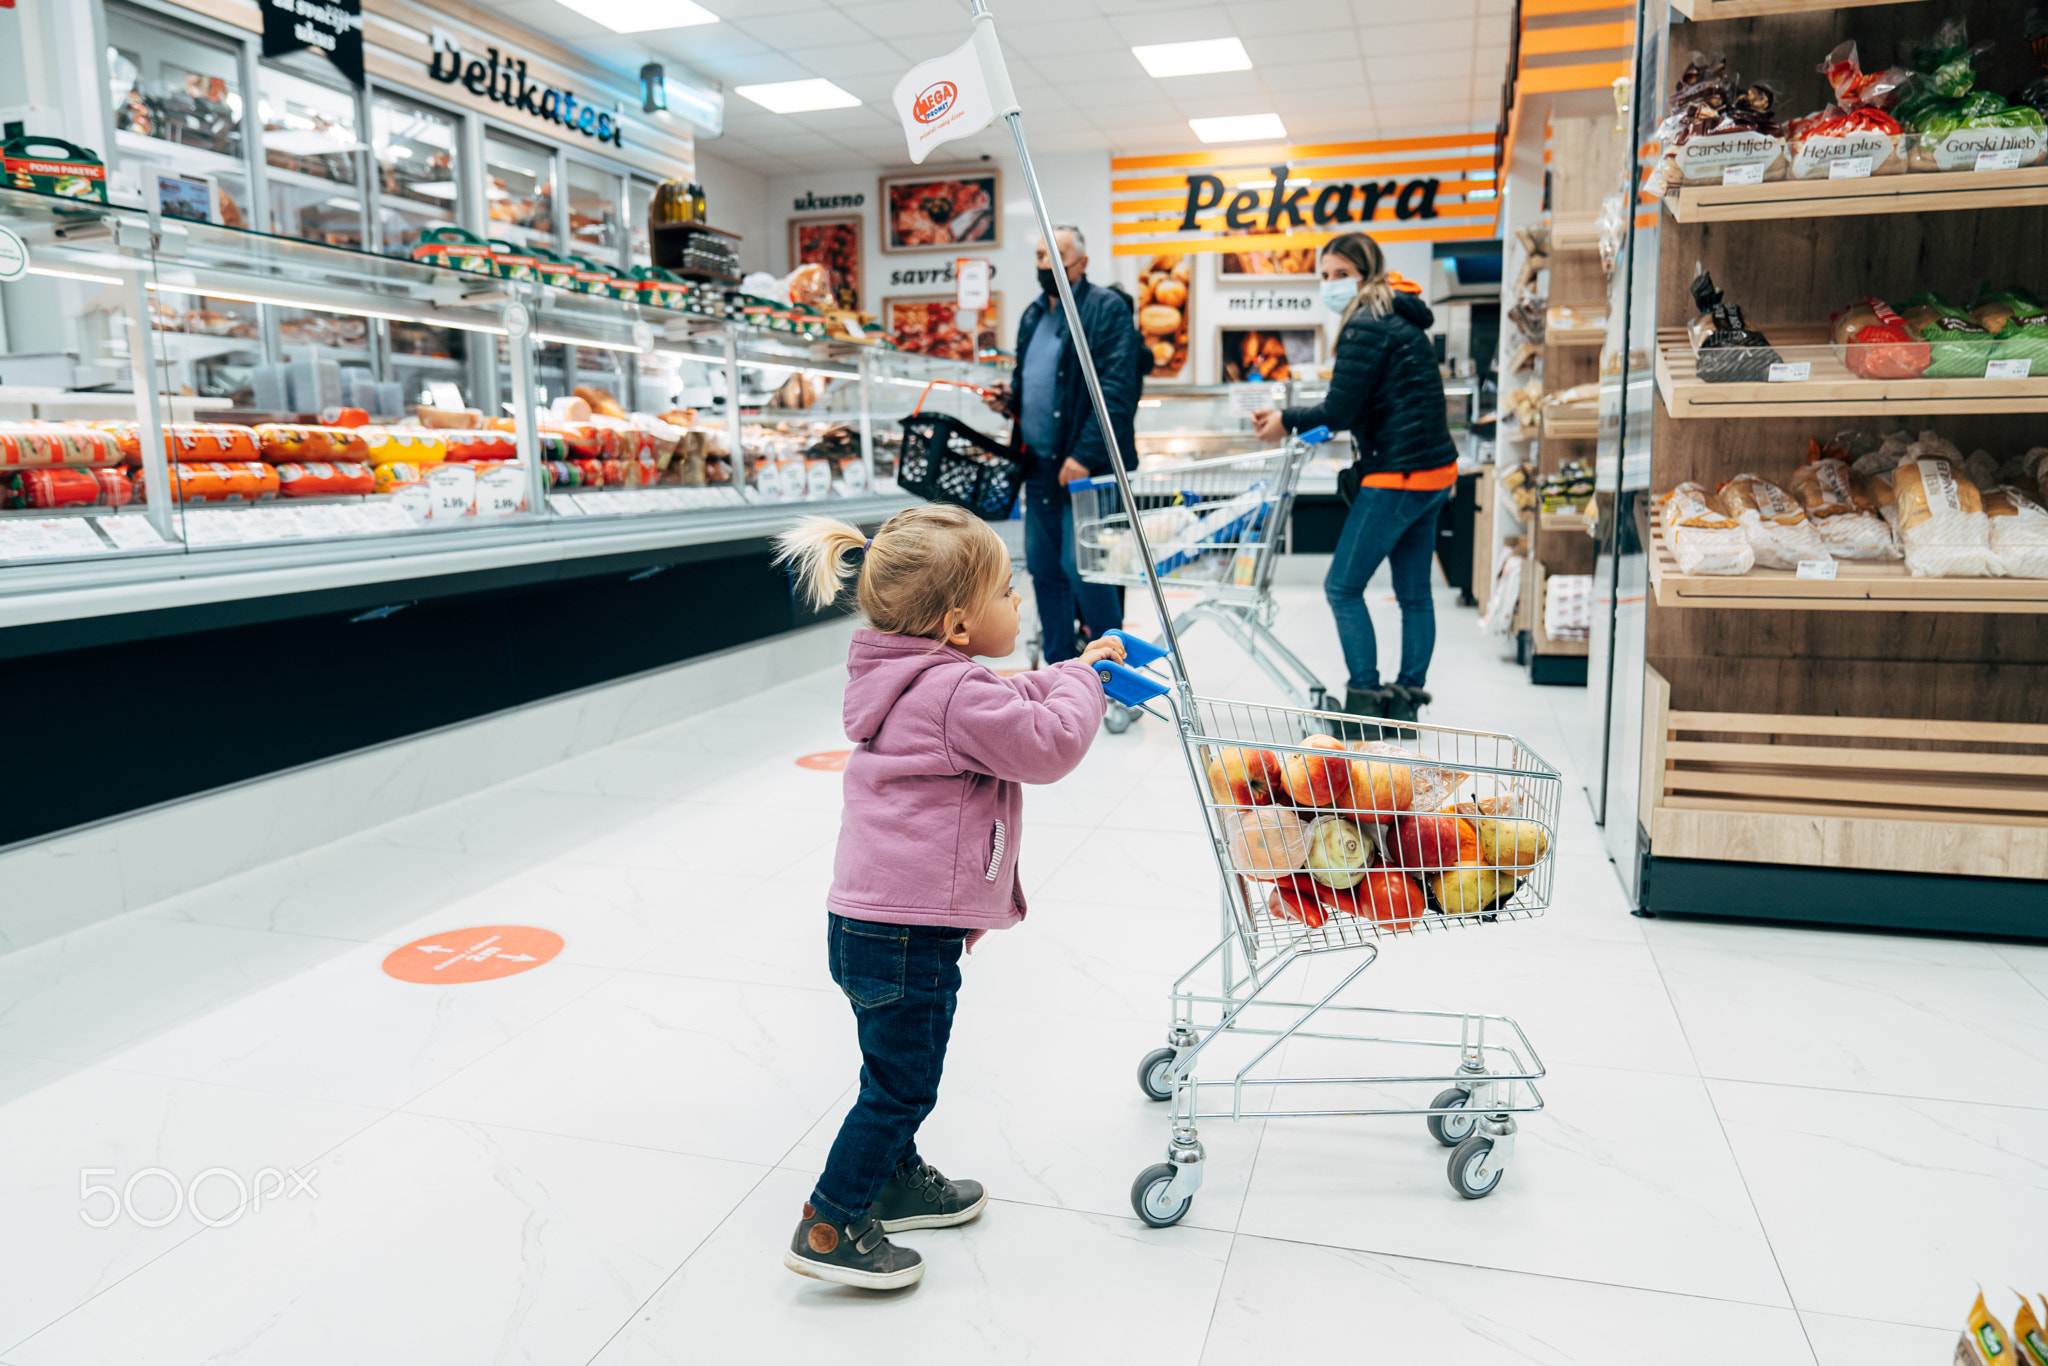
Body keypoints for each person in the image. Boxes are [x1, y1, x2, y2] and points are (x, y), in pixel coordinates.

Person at [771, 505, 1126, 1290]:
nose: (1020, 601)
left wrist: (1071, 670)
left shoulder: (915, 679)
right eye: (1008, 590)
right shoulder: (956, 696)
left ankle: (893, 1183)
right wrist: (1084, 685)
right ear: (959, 626)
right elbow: (1048, 743)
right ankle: (831, 1219)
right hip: (905, 935)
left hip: (865, 922)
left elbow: (1013, 696)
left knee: (887, 1071)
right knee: (901, 1087)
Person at [1252, 232, 1460, 724]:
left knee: (1342, 587)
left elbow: (1341, 408)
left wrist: (1286, 419)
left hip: (1400, 473)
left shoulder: (1364, 322)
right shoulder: (1399, 316)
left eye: (1340, 274)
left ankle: (1366, 700)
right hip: (1435, 471)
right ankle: (1407, 699)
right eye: (1324, 275)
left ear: (1366, 274)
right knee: (1415, 594)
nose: (1331, 284)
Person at [982, 225, 1140, 662]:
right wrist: (1008, 400)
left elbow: (1117, 392)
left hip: (1085, 470)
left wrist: (1085, 455)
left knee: (1085, 570)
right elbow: (1031, 384)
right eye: (1039, 256)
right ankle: (1061, 667)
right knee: (1045, 570)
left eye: (1056, 256)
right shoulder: (1032, 314)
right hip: (1038, 467)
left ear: (1082, 263)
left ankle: (1114, 671)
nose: (1045, 265)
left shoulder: (1106, 309)